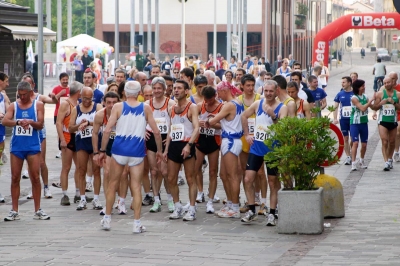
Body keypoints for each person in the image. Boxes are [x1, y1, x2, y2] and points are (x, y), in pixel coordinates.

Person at [97, 81, 162, 232]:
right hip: (137, 151)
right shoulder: (145, 108)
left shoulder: (118, 107)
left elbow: (107, 130)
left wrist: (101, 150)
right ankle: (137, 224)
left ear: (124, 93)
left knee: (112, 184)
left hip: (119, 149)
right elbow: (156, 132)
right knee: (136, 187)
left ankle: (107, 219)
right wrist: (159, 150)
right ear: (140, 93)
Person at [241, 80, 287, 224]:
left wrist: (273, 115)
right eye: (266, 91)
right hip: (257, 147)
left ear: (277, 91)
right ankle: (251, 210)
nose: (268, 94)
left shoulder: (282, 108)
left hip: (273, 149)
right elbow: (243, 116)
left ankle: (272, 213)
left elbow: (282, 128)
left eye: (271, 91)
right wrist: (247, 134)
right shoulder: (257, 104)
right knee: (248, 179)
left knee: (272, 182)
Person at [2, 81, 49, 221]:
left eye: (24, 95)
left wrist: (30, 122)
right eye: (19, 95)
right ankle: (14, 210)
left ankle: (38, 209)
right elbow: (5, 121)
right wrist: (17, 122)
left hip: (33, 147)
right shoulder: (14, 106)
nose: (22, 97)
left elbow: (40, 125)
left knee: (35, 177)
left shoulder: (38, 105)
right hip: (17, 147)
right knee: (15, 177)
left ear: (30, 93)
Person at [206, 81, 243, 218]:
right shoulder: (237, 102)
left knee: (232, 176)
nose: (217, 94)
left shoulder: (228, 105)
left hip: (230, 141)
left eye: (219, 91)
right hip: (230, 139)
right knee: (223, 175)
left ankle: (235, 207)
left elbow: (213, 121)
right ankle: (230, 202)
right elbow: (223, 124)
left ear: (225, 90)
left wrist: (206, 121)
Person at [164, 80, 200, 221]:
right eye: (174, 88)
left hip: (187, 144)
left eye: (179, 88)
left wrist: (189, 145)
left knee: (190, 178)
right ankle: (178, 206)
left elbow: (197, 128)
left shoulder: (192, 107)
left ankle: (191, 209)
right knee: (171, 178)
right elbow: (170, 130)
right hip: (174, 145)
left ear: (186, 91)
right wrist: (166, 150)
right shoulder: (171, 109)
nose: (176, 90)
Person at [68, 87, 103, 211]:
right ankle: (82, 198)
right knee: (81, 169)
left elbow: (103, 122)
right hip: (81, 141)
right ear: (80, 96)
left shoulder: (98, 107)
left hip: (95, 141)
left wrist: (89, 123)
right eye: (84, 98)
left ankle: (96, 198)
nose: (87, 101)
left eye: (89, 98)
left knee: (96, 170)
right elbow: (70, 128)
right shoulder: (76, 109)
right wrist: (79, 125)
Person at [145, 77, 176, 213]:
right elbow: (140, 120)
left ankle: (170, 199)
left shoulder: (171, 104)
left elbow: (175, 122)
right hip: (151, 138)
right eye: (155, 88)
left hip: (165, 139)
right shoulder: (147, 104)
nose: (157, 91)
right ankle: (156, 200)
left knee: (165, 171)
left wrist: (169, 137)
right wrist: (142, 131)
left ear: (164, 89)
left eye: (159, 88)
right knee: (154, 171)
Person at [195, 86, 223, 213]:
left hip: (214, 140)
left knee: (213, 171)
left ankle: (210, 200)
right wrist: (199, 123)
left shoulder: (221, 107)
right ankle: (200, 192)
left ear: (215, 96)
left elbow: (223, 124)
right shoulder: (200, 105)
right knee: (196, 168)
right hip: (200, 139)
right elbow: (193, 121)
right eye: (206, 100)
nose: (208, 102)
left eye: (210, 100)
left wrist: (210, 123)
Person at [92, 91, 121, 214]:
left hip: (120, 144)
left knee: (122, 174)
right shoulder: (100, 115)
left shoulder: (122, 114)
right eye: (108, 102)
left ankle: (121, 200)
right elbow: (94, 133)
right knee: (107, 173)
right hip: (107, 145)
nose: (111, 105)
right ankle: (108, 202)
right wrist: (96, 152)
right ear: (104, 103)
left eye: (114, 102)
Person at [56, 81, 83, 205]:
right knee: (66, 167)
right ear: (78, 92)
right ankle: (65, 195)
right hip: (67, 138)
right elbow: (59, 122)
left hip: (76, 138)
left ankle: (78, 193)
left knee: (79, 167)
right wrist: (62, 140)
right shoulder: (66, 104)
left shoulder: (78, 104)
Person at [372, 77, 400, 171]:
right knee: (384, 141)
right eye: (385, 83)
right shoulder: (380, 94)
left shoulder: (398, 94)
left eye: (388, 82)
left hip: (393, 121)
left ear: (392, 83)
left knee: (392, 142)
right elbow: (375, 108)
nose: (386, 84)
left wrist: (394, 103)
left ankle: (390, 158)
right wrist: (381, 103)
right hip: (382, 121)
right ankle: (386, 162)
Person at [350, 79, 374, 171]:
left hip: (364, 123)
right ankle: (353, 162)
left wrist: (380, 103)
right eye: (363, 86)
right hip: (355, 123)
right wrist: (371, 100)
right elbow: (363, 108)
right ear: (358, 88)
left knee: (364, 144)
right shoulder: (354, 98)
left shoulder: (365, 96)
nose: (364, 87)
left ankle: (362, 160)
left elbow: (372, 106)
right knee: (355, 143)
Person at [333, 76, 354, 166]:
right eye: (342, 82)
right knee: (345, 138)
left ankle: (353, 153)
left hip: (353, 120)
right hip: (343, 120)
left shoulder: (354, 93)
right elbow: (335, 107)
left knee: (353, 139)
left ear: (349, 83)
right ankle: (348, 156)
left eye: (344, 82)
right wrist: (335, 118)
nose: (342, 84)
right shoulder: (340, 94)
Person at [52, 72, 70, 159]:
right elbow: (53, 100)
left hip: (69, 114)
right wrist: (60, 93)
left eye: (66, 79)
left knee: (67, 130)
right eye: (63, 80)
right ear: (60, 80)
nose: (65, 81)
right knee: (59, 131)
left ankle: (67, 146)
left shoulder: (71, 89)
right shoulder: (56, 88)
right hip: (58, 113)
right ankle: (60, 149)